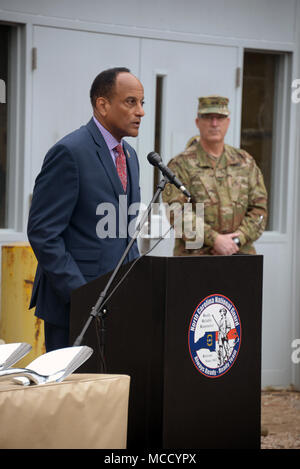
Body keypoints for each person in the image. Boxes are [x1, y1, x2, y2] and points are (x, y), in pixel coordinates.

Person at [27, 67, 145, 352]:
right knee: (71, 395)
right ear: (102, 105)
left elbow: (125, 232)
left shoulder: (129, 155)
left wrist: (139, 285)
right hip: (73, 309)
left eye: (142, 103)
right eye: (131, 102)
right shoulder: (69, 152)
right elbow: (44, 233)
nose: (140, 111)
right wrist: (81, 295)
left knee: (110, 394)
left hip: (116, 306)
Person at [162, 95, 268, 256]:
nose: (214, 123)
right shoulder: (180, 164)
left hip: (240, 256)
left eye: (220, 117)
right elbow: (176, 211)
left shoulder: (245, 162)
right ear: (198, 122)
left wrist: (237, 240)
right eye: (208, 117)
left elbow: (259, 209)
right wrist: (215, 239)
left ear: (228, 122)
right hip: (195, 259)